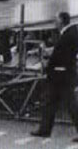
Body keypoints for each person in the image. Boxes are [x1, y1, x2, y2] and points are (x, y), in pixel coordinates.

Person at [31, 12, 78, 140]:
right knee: (49, 101)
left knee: (71, 104)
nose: (54, 23)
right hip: (62, 74)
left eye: (56, 20)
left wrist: (48, 64)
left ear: (62, 21)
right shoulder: (70, 33)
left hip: (63, 74)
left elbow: (61, 54)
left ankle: (45, 129)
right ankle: (44, 129)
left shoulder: (69, 34)